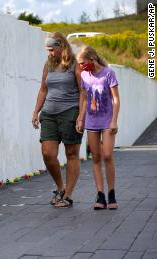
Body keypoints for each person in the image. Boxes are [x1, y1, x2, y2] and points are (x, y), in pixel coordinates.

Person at [32, 32, 84, 208]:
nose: (50, 53)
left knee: (71, 154)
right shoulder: (48, 64)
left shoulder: (74, 64)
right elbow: (43, 89)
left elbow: (83, 92)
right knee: (48, 154)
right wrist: (35, 112)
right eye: (48, 49)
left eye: (52, 49)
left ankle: (67, 195)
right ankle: (60, 187)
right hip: (49, 113)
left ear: (62, 46)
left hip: (70, 112)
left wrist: (80, 116)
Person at [76, 45, 120, 210]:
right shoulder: (84, 76)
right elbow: (85, 98)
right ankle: (100, 195)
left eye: (82, 63)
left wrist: (114, 121)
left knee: (107, 155)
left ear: (92, 59)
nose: (80, 66)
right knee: (95, 157)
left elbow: (116, 99)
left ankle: (112, 192)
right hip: (92, 123)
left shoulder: (108, 73)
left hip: (107, 121)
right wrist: (81, 118)